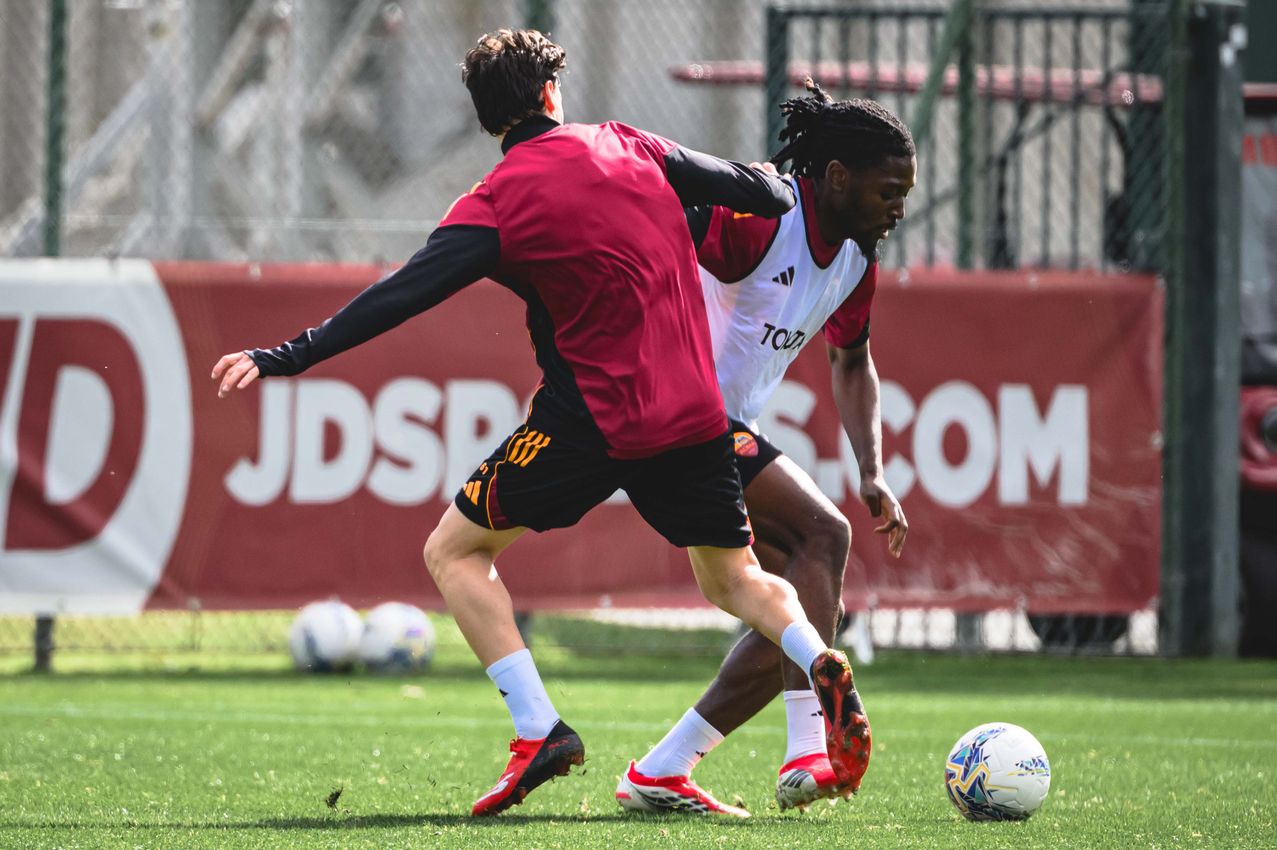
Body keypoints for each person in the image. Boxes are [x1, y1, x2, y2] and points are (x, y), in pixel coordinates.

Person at [211, 34, 867, 817]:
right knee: (736, 581)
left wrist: (290, 355)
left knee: (453, 551)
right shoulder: (629, 143)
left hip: (588, 420)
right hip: (696, 416)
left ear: (488, 118)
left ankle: (538, 730)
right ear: (552, 94)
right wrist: (732, 185)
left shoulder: (496, 201)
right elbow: (757, 195)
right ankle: (815, 654)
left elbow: (403, 294)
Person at [616, 79, 915, 816]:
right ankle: (808, 748)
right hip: (673, 414)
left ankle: (662, 769)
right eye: (888, 190)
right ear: (837, 178)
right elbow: (651, 228)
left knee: (795, 608)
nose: (898, 207)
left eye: (905, 191)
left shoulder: (853, 262)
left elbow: (851, 362)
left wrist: (870, 468)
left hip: (714, 430)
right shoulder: (762, 216)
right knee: (823, 535)